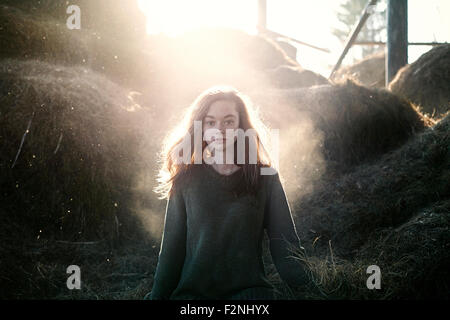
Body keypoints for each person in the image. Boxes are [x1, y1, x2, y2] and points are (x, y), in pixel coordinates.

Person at [147, 85, 308, 300]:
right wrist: (156, 297)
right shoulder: (186, 179)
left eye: (228, 121)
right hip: (193, 297)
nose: (219, 130)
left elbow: (285, 246)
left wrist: (311, 292)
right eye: (210, 122)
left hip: (250, 296)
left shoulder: (265, 177)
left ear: (241, 125)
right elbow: (171, 250)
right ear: (201, 127)